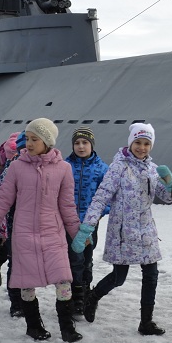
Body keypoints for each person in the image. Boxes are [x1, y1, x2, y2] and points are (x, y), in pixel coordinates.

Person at [0, 119, 82, 343]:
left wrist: (78, 235)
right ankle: (34, 326)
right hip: (24, 234)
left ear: (47, 142)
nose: (29, 143)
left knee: (63, 280)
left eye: (35, 139)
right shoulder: (16, 167)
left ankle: (67, 328)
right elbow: (1, 203)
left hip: (53, 234)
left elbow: (67, 206)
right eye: (28, 138)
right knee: (27, 283)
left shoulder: (64, 169)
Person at [71, 123, 172, 335]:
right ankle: (94, 296)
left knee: (151, 275)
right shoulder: (118, 167)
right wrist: (87, 227)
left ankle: (146, 322)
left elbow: (167, 197)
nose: (142, 147)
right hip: (123, 232)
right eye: (138, 142)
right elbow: (101, 197)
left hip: (146, 232)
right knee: (119, 277)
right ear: (131, 143)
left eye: (146, 143)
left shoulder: (152, 170)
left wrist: (171, 182)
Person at [64, 127, 109, 319]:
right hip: (69, 221)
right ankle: (77, 298)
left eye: (85, 143)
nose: (81, 146)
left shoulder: (101, 168)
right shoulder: (64, 166)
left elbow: (109, 196)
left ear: (92, 145)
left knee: (87, 258)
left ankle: (85, 290)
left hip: (90, 223)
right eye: (77, 143)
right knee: (75, 259)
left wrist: (99, 215)